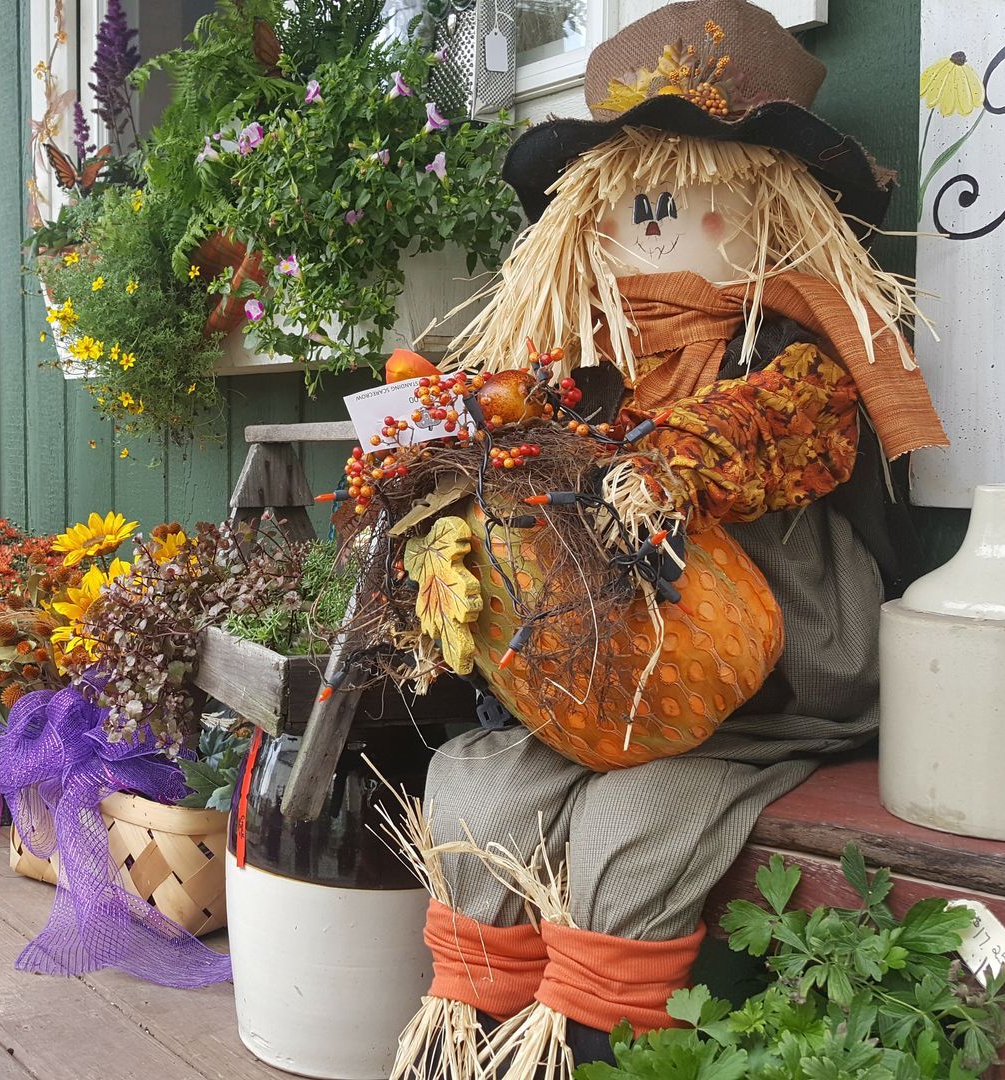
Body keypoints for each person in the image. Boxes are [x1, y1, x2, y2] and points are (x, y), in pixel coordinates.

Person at [394, 2, 948, 1073]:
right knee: (476, 796)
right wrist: (444, 461)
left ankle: (596, 1044)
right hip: (598, 678)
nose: (652, 224)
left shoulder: (792, 347)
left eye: (685, 201)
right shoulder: (576, 362)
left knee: (633, 831)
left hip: (763, 685)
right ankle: (471, 1033)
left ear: (772, 209)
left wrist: (663, 462)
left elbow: (777, 433)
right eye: (632, 203)